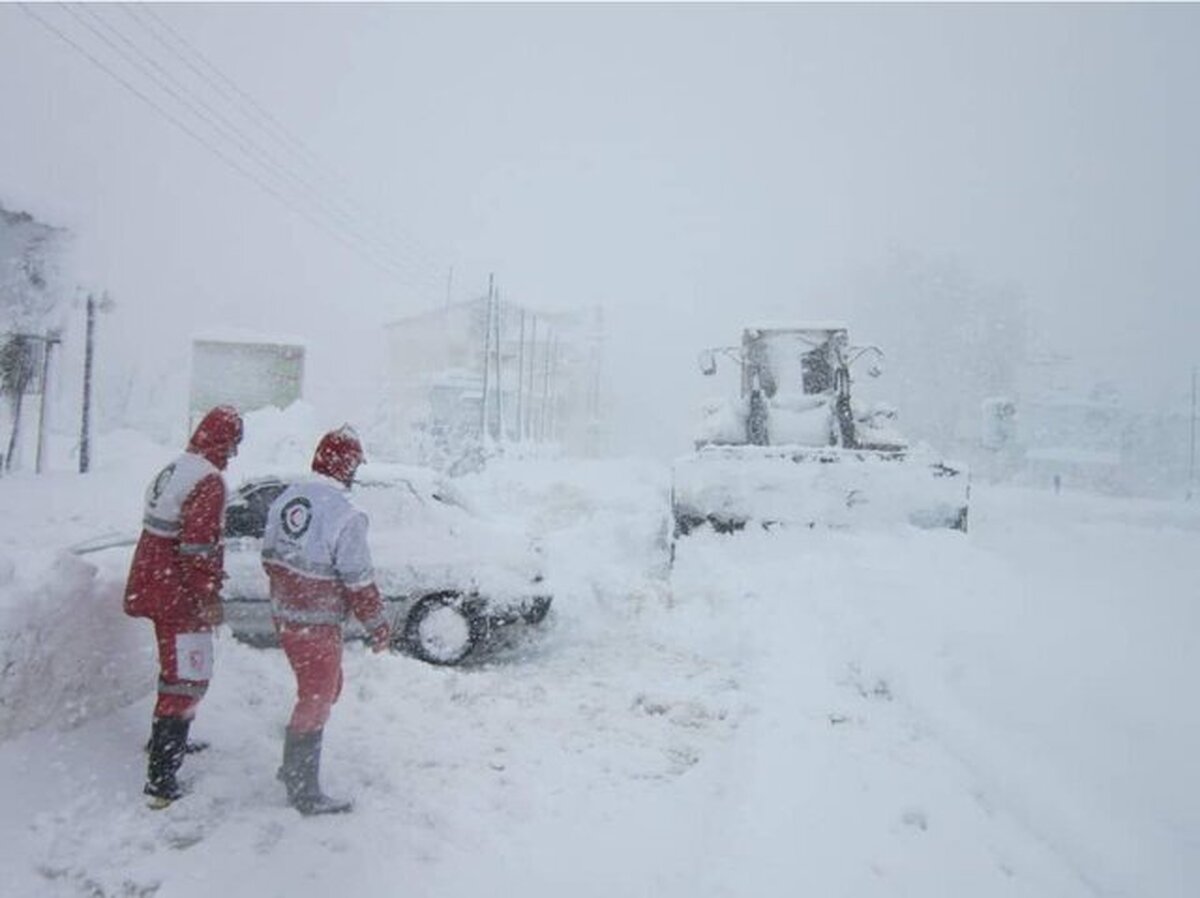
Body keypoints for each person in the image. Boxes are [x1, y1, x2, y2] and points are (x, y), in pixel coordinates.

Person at [261, 425, 391, 815]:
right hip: (316, 623)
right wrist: (377, 624)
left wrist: (290, 592)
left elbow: (269, 556)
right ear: (346, 465)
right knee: (317, 697)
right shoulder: (345, 514)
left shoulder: (288, 497)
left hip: (285, 617)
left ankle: (293, 766)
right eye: (354, 465)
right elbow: (359, 579)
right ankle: (303, 788)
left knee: (327, 689)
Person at [123, 405, 243, 808]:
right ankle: (161, 778)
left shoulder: (177, 467)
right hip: (178, 591)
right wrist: (207, 597)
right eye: (233, 444)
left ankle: (167, 741)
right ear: (223, 440)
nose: (234, 454)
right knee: (187, 675)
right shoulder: (209, 481)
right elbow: (198, 548)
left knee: (174, 669)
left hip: (153, 580)